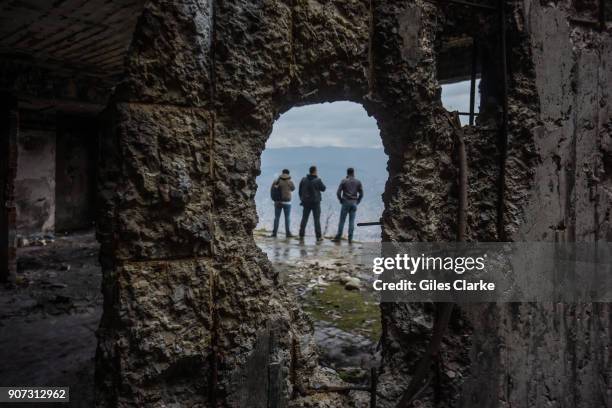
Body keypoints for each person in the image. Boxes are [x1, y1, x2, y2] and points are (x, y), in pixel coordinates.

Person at [332, 167, 363, 244]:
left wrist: (341, 200)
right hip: (354, 202)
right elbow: (361, 193)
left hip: (345, 202)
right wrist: (357, 201)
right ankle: (350, 238)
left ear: (347, 173)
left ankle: (338, 237)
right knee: (351, 221)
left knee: (342, 221)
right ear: (353, 173)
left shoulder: (344, 181)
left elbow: (338, 192)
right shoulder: (358, 182)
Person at [298, 166, 326, 242]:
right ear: (314, 171)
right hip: (315, 203)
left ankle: (301, 234)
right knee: (316, 220)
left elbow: (300, 191)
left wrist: (302, 199)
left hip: (306, 203)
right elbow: (323, 188)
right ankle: (318, 236)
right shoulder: (318, 180)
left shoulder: (304, 180)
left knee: (304, 219)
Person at [270, 169, 295, 237]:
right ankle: (288, 233)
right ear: (288, 174)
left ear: (282, 173)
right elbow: (293, 188)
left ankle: (274, 233)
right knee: (287, 218)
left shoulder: (276, 181)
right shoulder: (290, 182)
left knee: (277, 217)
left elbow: (272, 191)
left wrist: (274, 200)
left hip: (278, 202)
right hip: (287, 202)